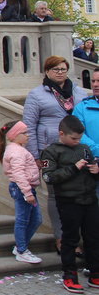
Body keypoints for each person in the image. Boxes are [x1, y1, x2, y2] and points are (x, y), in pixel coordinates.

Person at [23, 55, 89, 255]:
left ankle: (77, 238)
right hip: (49, 150)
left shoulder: (79, 92)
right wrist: (35, 155)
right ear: (47, 71)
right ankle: (61, 238)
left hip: (77, 149)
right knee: (54, 195)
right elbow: (29, 125)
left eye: (63, 69)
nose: (60, 73)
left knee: (79, 193)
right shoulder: (36, 94)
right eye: (55, 69)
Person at [40, 115, 99, 293]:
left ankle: (95, 273)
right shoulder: (50, 152)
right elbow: (48, 177)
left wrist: (96, 170)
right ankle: (70, 276)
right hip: (68, 201)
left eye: (79, 138)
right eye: (73, 138)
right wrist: (73, 168)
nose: (77, 141)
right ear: (61, 134)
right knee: (70, 239)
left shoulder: (84, 148)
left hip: (89, 199)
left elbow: (93, 171)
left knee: (93, 237)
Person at [0, 120, 43, 264]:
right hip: (22, 189)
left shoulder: (19, 149)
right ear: (14, 135)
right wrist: (27, 193)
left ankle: (20, 247)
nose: (28, 135)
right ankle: (22, 250)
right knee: (23, 220)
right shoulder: (16, 151)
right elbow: (18, 173)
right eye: (24, 133)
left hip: (26, 188)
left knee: (36, 219)